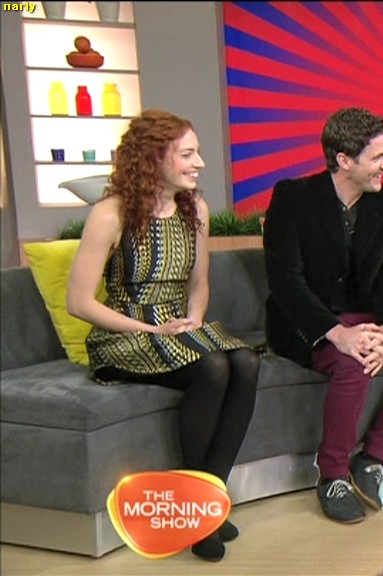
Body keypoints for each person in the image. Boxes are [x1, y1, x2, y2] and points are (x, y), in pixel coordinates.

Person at [67, 109, 260, 562]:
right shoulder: (110, 214)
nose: (200, 164)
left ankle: (207, 504)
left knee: (246, 362)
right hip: (125, 333)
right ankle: (199, 509)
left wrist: (193, 320)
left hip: (177, 328)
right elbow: (79, 303)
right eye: (188, 154)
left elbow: (199, 283)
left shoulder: (196, 211)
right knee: (213, 367)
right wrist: (152, 328)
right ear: (154, 158)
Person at [263, 107, 383, 525]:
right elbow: (285, 281)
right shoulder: (292, 198)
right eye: (378, 157)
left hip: (369, 316)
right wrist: (336, 333)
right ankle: (332, 476)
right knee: (352, 362)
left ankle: (372, 458)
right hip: (310, 321)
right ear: (344, 160)